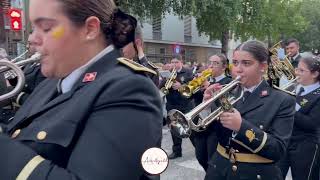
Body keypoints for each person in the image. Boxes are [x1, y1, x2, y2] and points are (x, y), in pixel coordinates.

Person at [0, 0, 163, 179]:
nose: (31, 39)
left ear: (90, 29)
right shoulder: (51, 82)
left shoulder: (130, 89)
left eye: (46, 28)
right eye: (33, 29)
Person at [203, 40, 295, 180]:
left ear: (263, 66)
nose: (238, 69)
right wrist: (206, 106)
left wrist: (241, 127)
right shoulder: (226, 92)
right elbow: (209, 135)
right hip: (219, 170)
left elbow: (277, 150)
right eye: (235, 62)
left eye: (246, 63)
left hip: (255, 173)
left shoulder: (282, 100)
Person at [278, 55, 320, 180]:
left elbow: (311, 124)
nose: (297, 73)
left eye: (302, 70)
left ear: (315, 74)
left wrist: (289, 108)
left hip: (306, 145)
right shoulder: (293, 87)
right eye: (297, 69)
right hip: (285, 141)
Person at [192, 54, 232, 171]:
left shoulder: (229, 81)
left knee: (212, 160)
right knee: (200, 157)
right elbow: (190, 98)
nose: (211, 66)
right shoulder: (205, 80)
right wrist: (194, 85)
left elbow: (226, 105)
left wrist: (209, 87)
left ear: (224, 67)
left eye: (215, 63)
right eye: (210, 62)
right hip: (202, 125)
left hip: (216, 127)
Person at [162, 54, 194, 159]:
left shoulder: (188, 72)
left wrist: (181, 86)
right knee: (174, 129)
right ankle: (177, 151)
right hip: (172, 104)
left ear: (181, 62)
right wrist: (166, 82)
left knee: (190, 128)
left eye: (176, 62)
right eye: (173, 62)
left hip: (185, 104)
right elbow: (161, 86)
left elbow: (193, 86)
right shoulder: (169, 73)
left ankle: (198, 147)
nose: (174, 64)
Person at [7, 32, 46, 108]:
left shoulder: (45, 69)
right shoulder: (30, 62)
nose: (27, 46)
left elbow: (35, 102)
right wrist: (12, 78)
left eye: (30, 43)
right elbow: (22, 82)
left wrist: (10, 90)